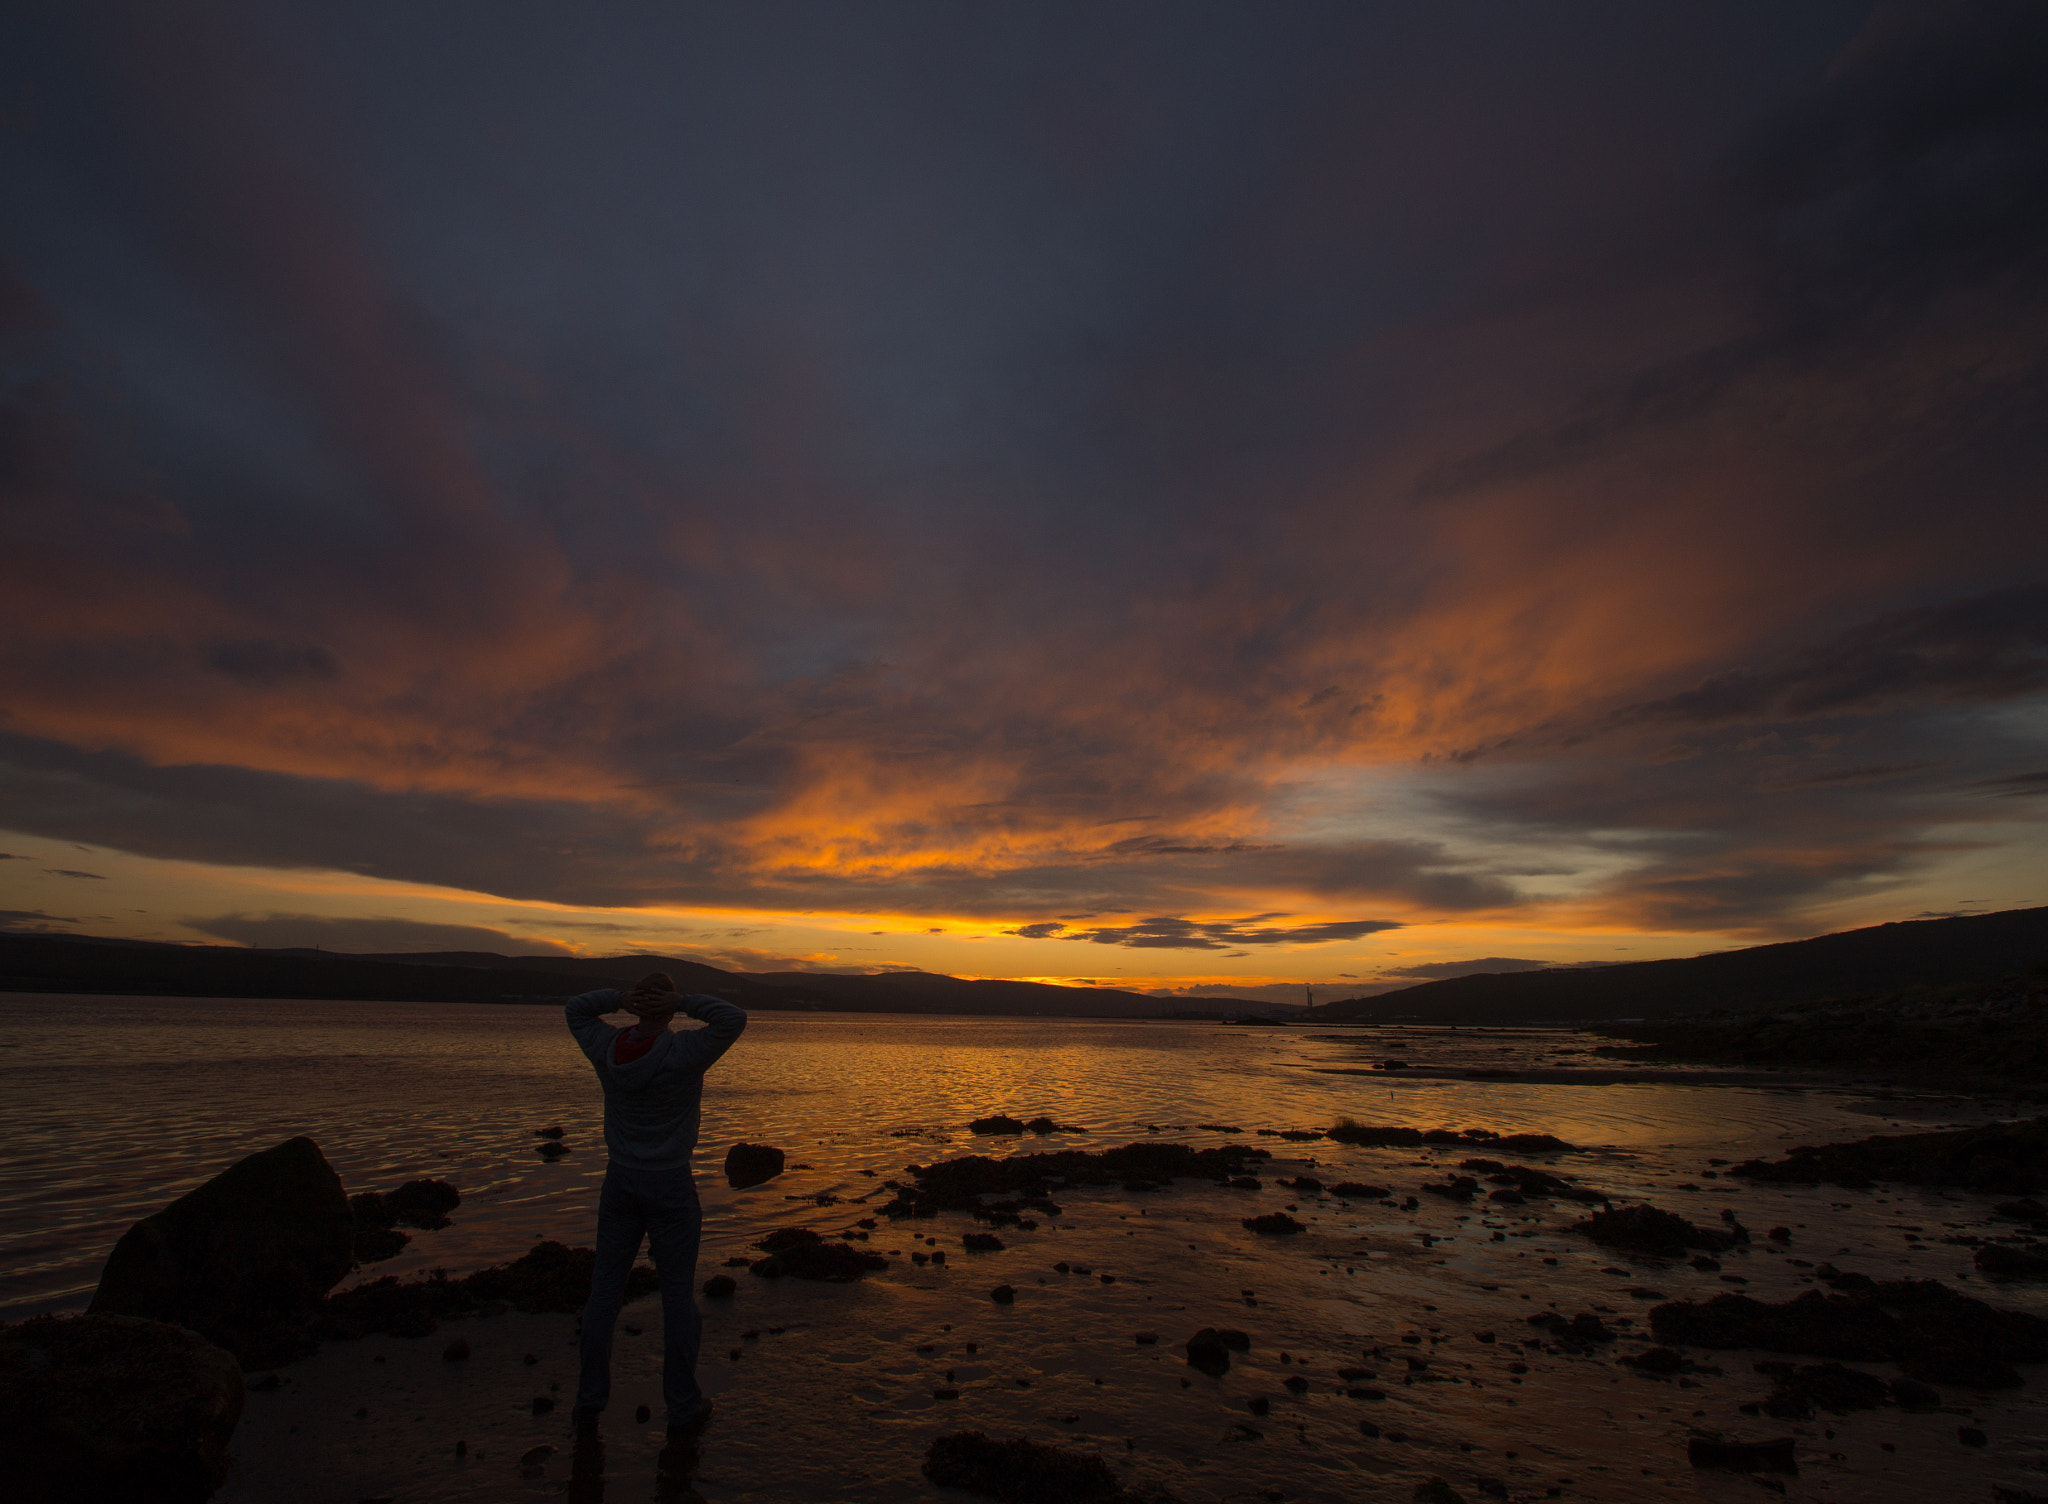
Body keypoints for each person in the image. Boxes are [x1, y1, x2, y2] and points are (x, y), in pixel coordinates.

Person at [564, 971, 746, 1438]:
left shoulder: (607, 1047)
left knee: (604, 1292)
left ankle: (589, 1401)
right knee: (677, 1298)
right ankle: (682, 1405)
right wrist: (683, 1002)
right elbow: (732, 1018)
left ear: (636, 1005)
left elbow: (576, 1008)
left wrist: (618, 996)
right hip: (670, 1183)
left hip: (619, 1178)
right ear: (665, 1006)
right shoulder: (684, 1053)